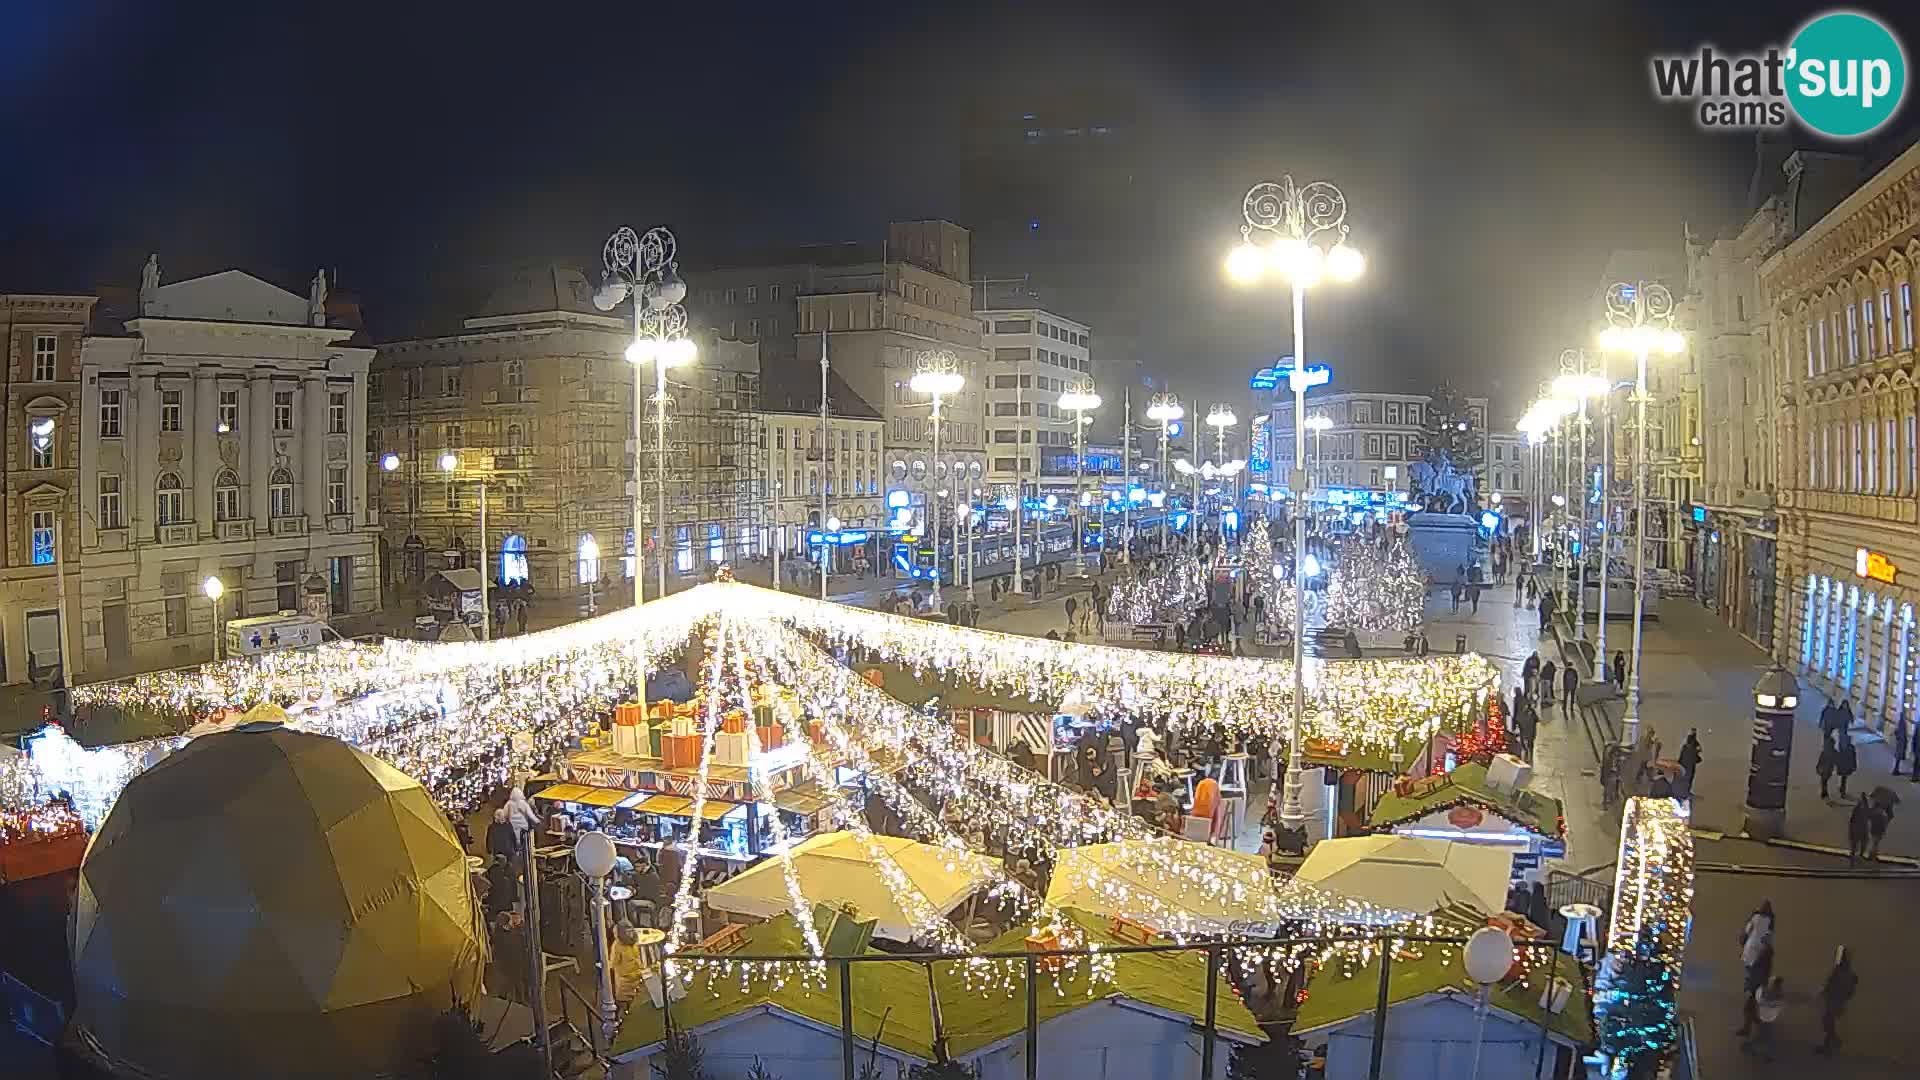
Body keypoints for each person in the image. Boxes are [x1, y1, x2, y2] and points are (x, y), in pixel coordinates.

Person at [1814, 946, 1858, 1056]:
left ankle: (1834, 1041)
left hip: (1834, 1000)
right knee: (1829, 1022)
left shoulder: (1839, 971)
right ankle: (1827, 1047)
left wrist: (1824, 992)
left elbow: (1831, 984)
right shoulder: (1848, 972)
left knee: (1827, 1022)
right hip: (1838, 1001)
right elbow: (1850, 990)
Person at [1742, 976, 1786, 1061]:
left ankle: (1751, 1047)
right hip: (1766, 1018)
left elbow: (1776, 1003)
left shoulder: (1776, 991)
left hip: (1768, 1018)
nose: (1779, 985)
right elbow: (1764, 1002)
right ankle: (1765, 1054)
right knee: (1766, 1036)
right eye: (1778, 983)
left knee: (1762, 1036)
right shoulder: (1768, 991)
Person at [1848, 794, 1872, 864]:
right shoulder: (1866, 809)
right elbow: (1869, 817)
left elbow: (1852, 820)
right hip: (1861, 828)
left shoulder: (1857, 809)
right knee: (1861, 843)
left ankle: (1853, 858)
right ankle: (1858, 856)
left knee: (1855, 844)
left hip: (1858, 828)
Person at [1835, 730, 1858, 798]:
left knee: (1842, 778)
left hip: (1842, 765)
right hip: (1847, 766)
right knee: (1844, 779)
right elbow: (1853, 757)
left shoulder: (1841, 746)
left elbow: (1838, 756)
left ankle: (1841, 789)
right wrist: (1854, 766)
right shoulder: (1851, 747)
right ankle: (1842, 791)